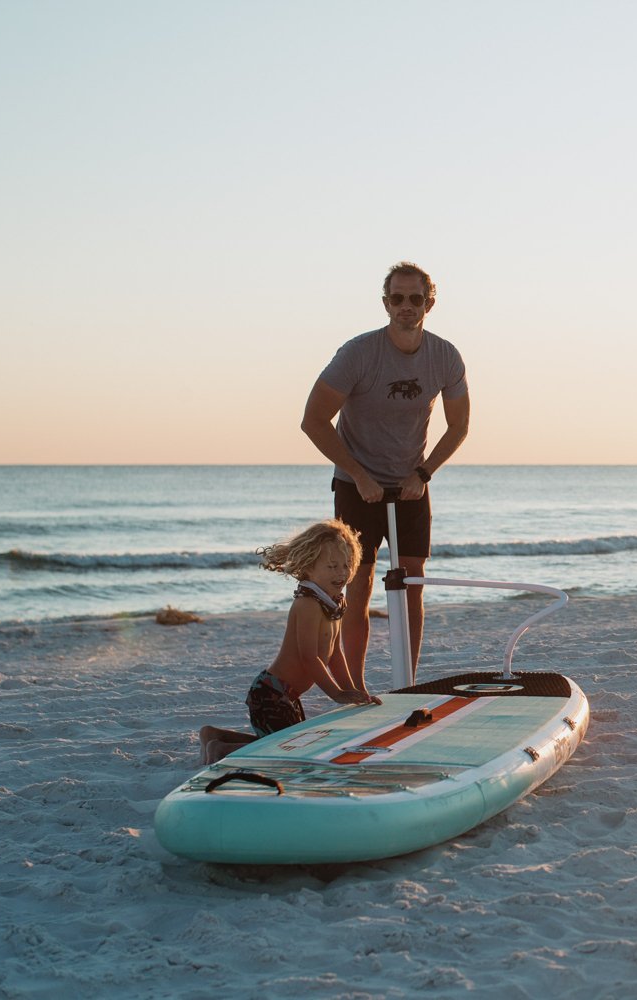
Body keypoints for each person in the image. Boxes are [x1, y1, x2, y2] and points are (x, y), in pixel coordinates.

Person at [301, 261, 471, 679]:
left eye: (415, 298)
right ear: (385, 303)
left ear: (429, 303)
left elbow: (460, 426)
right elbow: (313, 421)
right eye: (397, 298)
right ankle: (354, 685)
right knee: (356, 587)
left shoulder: (445, 356)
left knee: (412, 586)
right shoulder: (359, 353)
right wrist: (358, 475)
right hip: (358, 485)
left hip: (411, 485)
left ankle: (407, 682)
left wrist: (424, 474)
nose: (406, 306)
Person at [200, 520, 381, 764]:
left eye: (346, 565)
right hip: (270, 694)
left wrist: (354, 692)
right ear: (308, 568)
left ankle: (216, 736)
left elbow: (334, 653)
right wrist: (336, 694)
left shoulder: (335, 602)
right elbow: (310, 658)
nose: (341, 573)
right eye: (331, 566)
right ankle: (222, 750)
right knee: (289, 751)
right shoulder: (307, 604)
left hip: (288, 696)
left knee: (293, 744)